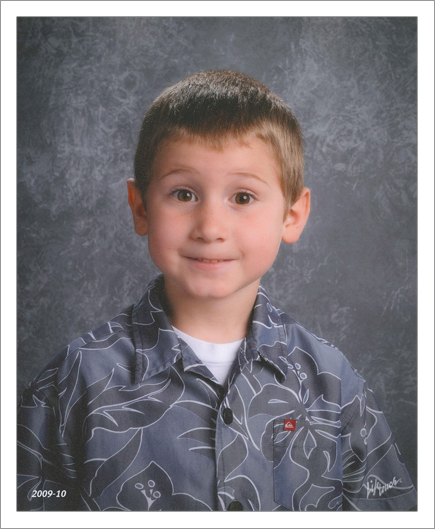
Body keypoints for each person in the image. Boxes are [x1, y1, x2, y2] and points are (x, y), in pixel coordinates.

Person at [17, 70, 416, 511]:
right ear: (141, 207)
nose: (210, 228)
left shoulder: (334, 385)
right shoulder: (73, 382)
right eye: (183, 194)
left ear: (292, 215)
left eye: (242, 197)